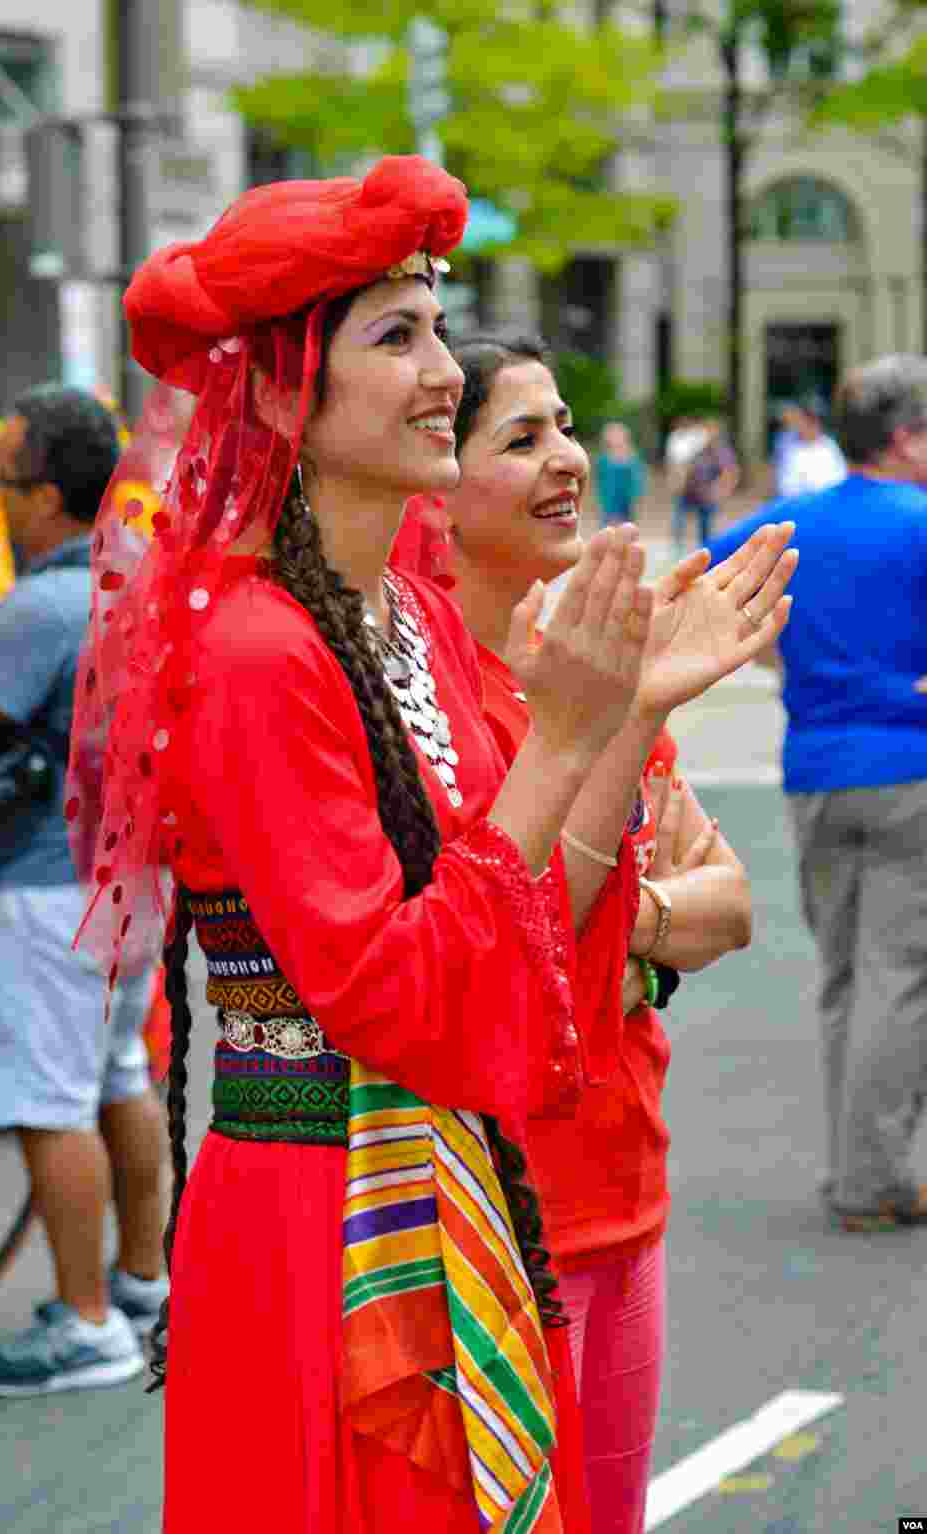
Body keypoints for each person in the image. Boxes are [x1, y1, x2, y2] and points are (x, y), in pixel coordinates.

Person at [66, 156, 670, 1532]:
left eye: (437, 327)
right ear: (282, 389)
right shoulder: (257, 652)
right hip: (320, 1212)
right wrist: (572, 733)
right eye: (396, 336)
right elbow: (400, 993)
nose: (445, 369)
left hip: (432, 1176)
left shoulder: (411, 613)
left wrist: (622, 716)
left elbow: (530, 936)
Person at [411, 332, 793, 1534]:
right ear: (439, 485)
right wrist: (621, 924)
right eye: (519, 439)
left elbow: (723, 898)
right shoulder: (422, 695)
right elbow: (512, 938)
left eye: (565, 426)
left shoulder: (594, 668)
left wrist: (629, 931)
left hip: (626, 1180)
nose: (566, 458)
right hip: (495, 1210)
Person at [0, 386, 168, 1396]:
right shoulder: (130, 578)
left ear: (43, 494)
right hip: (132, 874)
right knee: (116, 1074)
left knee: (48, 1104)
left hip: (48, 882)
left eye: (0, 478)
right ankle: (139, 1280)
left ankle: (85, 1324)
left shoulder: (41, 604)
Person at [705, 354, 927, 1232]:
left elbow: (696, 591)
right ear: (907, 437)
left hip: (815, 772)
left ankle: (860, 1162)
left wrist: (780, 653)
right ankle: (869, 1175)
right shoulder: (921, 522)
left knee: (846, 978)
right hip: (911, 768)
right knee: (900, 979)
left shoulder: (787, 523)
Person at [673, 417, 739, 551]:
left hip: (707, 495)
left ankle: (704, 551)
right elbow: (687, 465)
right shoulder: (699, 448)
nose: (707, 434)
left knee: (705, 527)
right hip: (690, 491)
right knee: (679, 519)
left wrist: (721, 490)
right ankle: (678, 547)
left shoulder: (722, 451)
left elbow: (730, 472)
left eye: (710, 431)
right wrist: (680, 481)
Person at [775, 399, 846, 500]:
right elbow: (786, 487)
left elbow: (839, 481)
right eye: (807, 420)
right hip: (796, 506)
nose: (811, 425)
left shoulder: (830, 447)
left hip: (826, 504)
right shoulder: (787, 444)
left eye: (815, 421)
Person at [594, 422, 647, 527]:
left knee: (627, 531)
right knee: (609, 532)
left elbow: (638, 480)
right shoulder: (603, 459)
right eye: (613, 436)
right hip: (609, 502)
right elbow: (600, 482)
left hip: (628, 502)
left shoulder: (633, 458)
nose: (615, 439)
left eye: (618, 435)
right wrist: (599, 502)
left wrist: (638, 499)